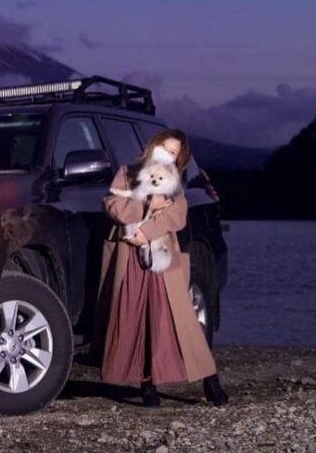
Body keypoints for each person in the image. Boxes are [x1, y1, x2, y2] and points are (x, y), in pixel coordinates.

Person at [95, 128, 228, 407]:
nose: (165, 154)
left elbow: (177, 216)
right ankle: (148, 384)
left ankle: (210, 378)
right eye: (163, 147)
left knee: (180, 319)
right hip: (128, 256)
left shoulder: (174, 183)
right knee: (136, 316)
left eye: (172, 153)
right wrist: (147, 203)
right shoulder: (127, 173)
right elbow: (112, 204)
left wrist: (147, 232)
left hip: (162, 258)